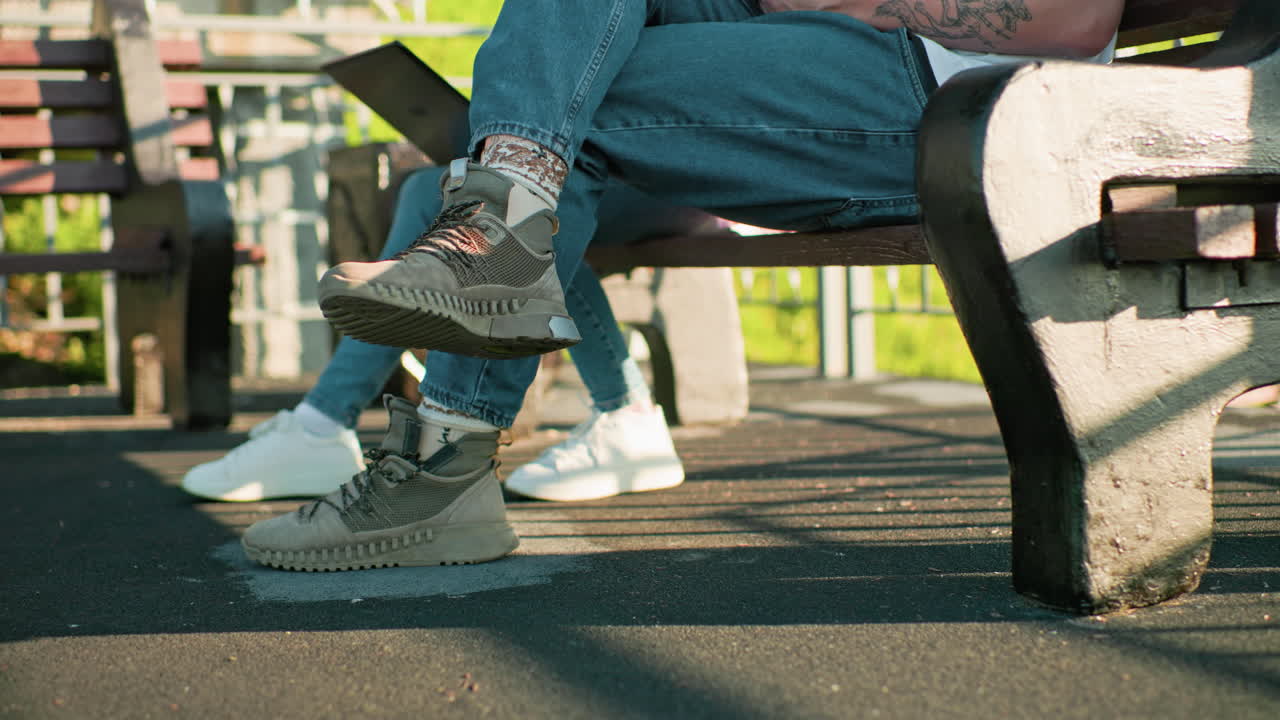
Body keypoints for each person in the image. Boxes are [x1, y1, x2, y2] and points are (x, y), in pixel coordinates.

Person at [240, 1, 1124, 571]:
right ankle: (489, 254)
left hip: (955, 102)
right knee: (552, 102)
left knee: (564, 105)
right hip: (843, 52)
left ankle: (439, 462)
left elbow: (1075, 19)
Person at [183, 167, 705, 505]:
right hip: (599, 174)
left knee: (522, 202)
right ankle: (624, 412)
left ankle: (338, 427)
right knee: (442, 187)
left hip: (672, 180)